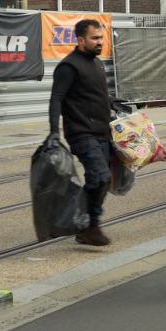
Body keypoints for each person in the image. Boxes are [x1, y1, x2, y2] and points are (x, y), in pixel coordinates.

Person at [48, 19, 113, 246]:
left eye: (101, 37)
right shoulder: (69, 66)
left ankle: (88, 224)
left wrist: (114, 105)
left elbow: (95, 95)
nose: (99, 42)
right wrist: (53, 132)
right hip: (81, 133)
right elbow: (56, 99)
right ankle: (85, 221)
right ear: (80, 39)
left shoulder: (97, 64)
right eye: (94, 38)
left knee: (104, 181)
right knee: (100, 176)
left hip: (102, 131)